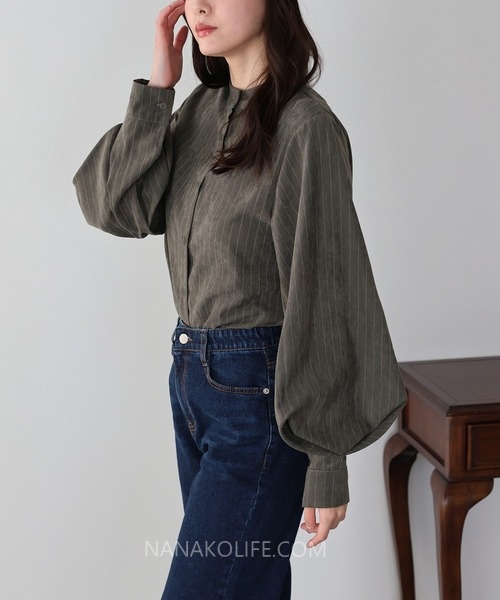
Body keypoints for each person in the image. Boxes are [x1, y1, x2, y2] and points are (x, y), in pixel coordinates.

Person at [73, 0, 407, 598]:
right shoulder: (202, 110)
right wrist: (159, 89)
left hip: (261, 402)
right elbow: (114, 206)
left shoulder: (304, 128)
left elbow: (325, 290)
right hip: (191, 384)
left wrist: (326, 459)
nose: (199, 5)